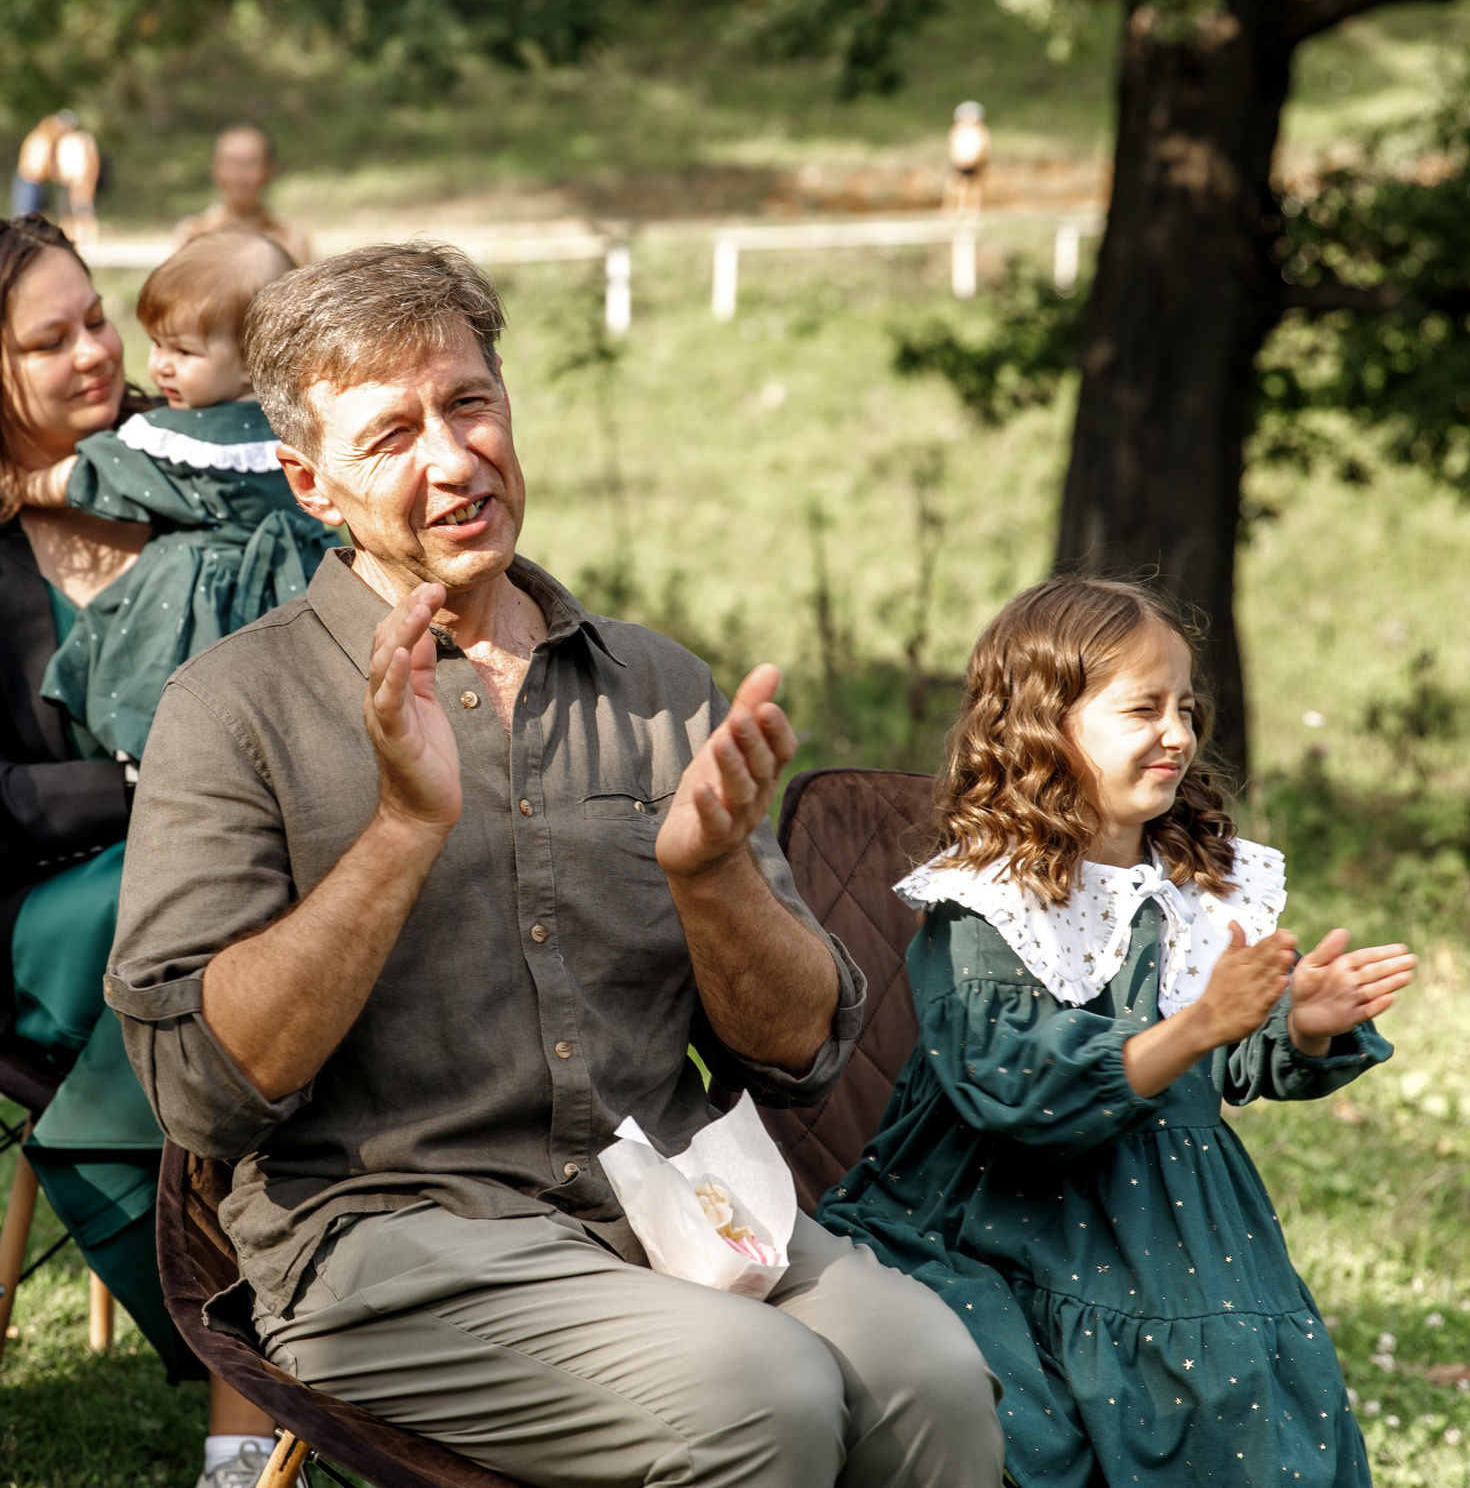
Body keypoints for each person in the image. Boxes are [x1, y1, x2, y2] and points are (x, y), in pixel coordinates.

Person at [109, 241, 1005, 1488]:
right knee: (764, 1393)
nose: (453, 456)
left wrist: (713, 882)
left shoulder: (658, 687)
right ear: (308, 484)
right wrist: (400, 833)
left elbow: (803, 1055)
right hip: (387, 1239)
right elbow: (204, 1095)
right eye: (391, 435)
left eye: (469, 402)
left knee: (935, 1378)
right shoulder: (232, 706)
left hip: (673, 1209)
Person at [0, 214, 279, 1488]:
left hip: (223, 888)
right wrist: (151, 785)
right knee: (189, 939)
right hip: (3, 910)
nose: (98, 353)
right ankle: (249, 1394)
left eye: (99, 318)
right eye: (52, 339)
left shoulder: (202, 480)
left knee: (232, 944)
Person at [819, 578, 1417, 1488]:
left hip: (1175, 1231)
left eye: (1186, 706)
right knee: (1047, 1435)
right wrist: (1197, 1025)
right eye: (1143, 707)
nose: (1177, 733)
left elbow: (1233, 1049)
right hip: (995, 1226)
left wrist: (1299, 1023)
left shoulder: (1196, 884)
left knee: (1245, 1407)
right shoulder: (988, 904)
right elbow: (1012, 1088)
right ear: (1042, 723)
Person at [23, 228, 332, 763]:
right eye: (158, 343)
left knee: (163, 677)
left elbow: (105, 476)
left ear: (253, 360)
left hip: (199, 586)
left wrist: (16, 486)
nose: (159, 365)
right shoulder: (303, 423)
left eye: (183, 351)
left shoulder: (186, 437)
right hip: (302, 581)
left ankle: (142, 760)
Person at [172, 125, 309, 266]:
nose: (239, 176)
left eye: (250, 164)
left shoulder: (291, 240)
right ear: (215, 168)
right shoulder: (192, 235)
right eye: (230, 163)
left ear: (270, 168)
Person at [13, 111, 102, 248]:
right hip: (34, 179)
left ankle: (86, 241)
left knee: (79, 211)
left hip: (68, 181)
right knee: (29, 211)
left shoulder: (76, 140)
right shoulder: (41, 139)